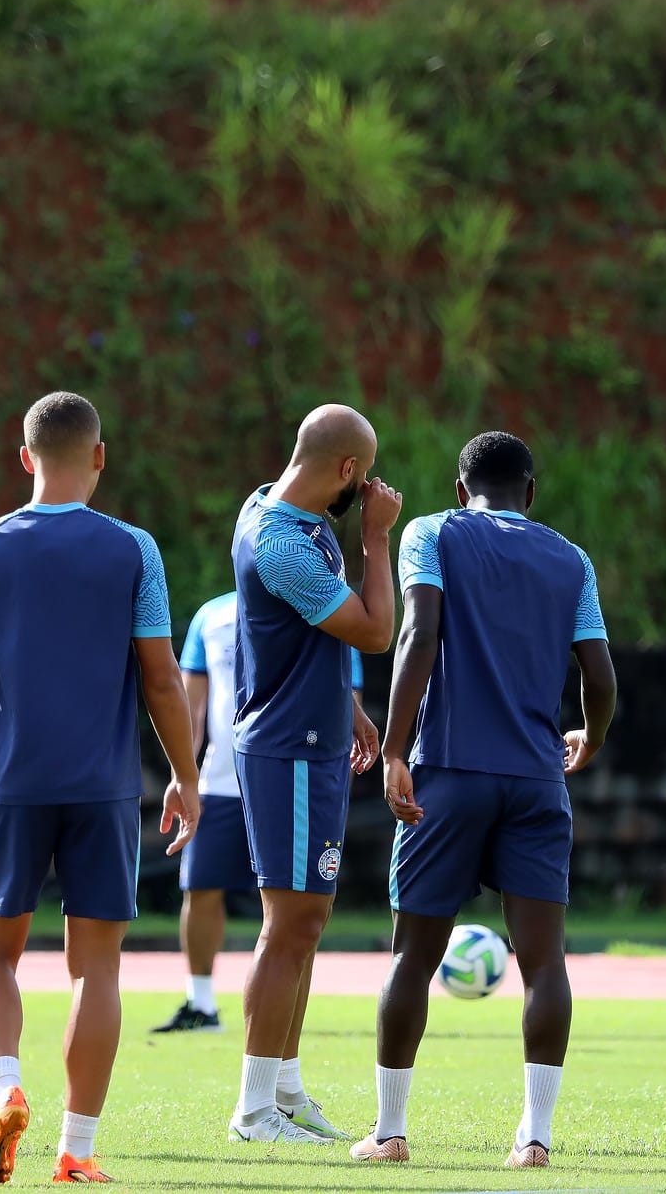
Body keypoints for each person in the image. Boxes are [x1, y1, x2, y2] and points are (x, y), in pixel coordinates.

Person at [0, 391, 201, 1185]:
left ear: (24, 457)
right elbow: (161, 679)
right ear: (99, 455)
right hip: (104, 788)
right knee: (97, 969)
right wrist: (186, 776)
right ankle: (77, 1148)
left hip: (12, 784)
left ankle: (4, 1085)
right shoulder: (135, 550)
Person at [355, 431, 617, 1169]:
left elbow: (420, 631)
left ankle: (391, 1130)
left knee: (413, 956)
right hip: (537, 778)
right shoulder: (571, 558)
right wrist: (590, 736)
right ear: (530, 493)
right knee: (544, 962)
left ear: (460, 486)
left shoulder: (432, 530)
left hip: (450, 771)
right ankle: (533, 1137)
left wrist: (398, 747)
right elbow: (599, 673)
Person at [226, 404, 400, 1145]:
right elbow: (376, 628)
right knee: (288, 924)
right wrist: (376, 536)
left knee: (308, 921)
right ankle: (254, 1110)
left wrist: (348, 703)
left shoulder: (282, 508)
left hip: (315, 734)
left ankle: (287, 1089)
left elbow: (308, 639)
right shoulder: (284, 542)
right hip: (288, 747)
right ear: (348, 472)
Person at [153, 593, 363, 1035]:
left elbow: (347, 690)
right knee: (201, 887)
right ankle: (201, 1003)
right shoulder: (210, 615)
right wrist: (182, 774)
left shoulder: (317, 597)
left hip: (292, 773)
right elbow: (191, 706)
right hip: (220, 783)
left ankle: (284, 1008)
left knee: (294, 900)